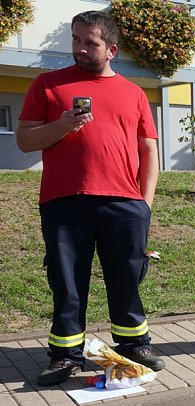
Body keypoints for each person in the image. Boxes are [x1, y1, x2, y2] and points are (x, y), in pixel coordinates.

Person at [16, 11, 165, 386]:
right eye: (76, 40)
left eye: (90, 43)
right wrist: (62, 125)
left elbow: (149, 153)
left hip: (124, 203)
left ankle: (134, 343)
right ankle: (65, 355)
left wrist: (144, 204)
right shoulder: (48, 85)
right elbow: (24, 140)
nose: (80, 48)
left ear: (111, 49)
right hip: (64, 201)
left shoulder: (133, 93)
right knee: (66, 281)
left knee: (126, 278)